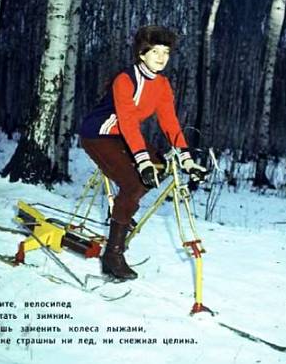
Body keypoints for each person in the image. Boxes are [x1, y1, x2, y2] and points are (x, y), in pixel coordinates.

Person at [79, 25, 206, 281]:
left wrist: (187, 159)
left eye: (166, 52)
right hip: (100, 134)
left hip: (125, 135)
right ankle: (113, 255)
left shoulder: (162, 84)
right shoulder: (125, 80)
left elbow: (170, 123)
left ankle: (122, 211)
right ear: (141, 53)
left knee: (160, 167)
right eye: (155, 51)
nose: (161, 57)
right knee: (134, 182)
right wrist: (142, 161)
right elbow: (127, 122)